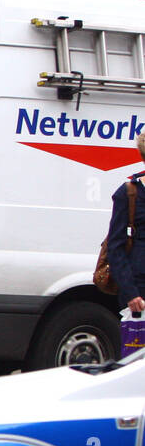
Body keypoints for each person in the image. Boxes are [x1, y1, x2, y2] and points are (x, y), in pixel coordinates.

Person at [105, 132, 145, 317]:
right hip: (139, 289)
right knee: (137, 337)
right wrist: (130, 292)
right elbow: (115, 246)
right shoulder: (128, 193)